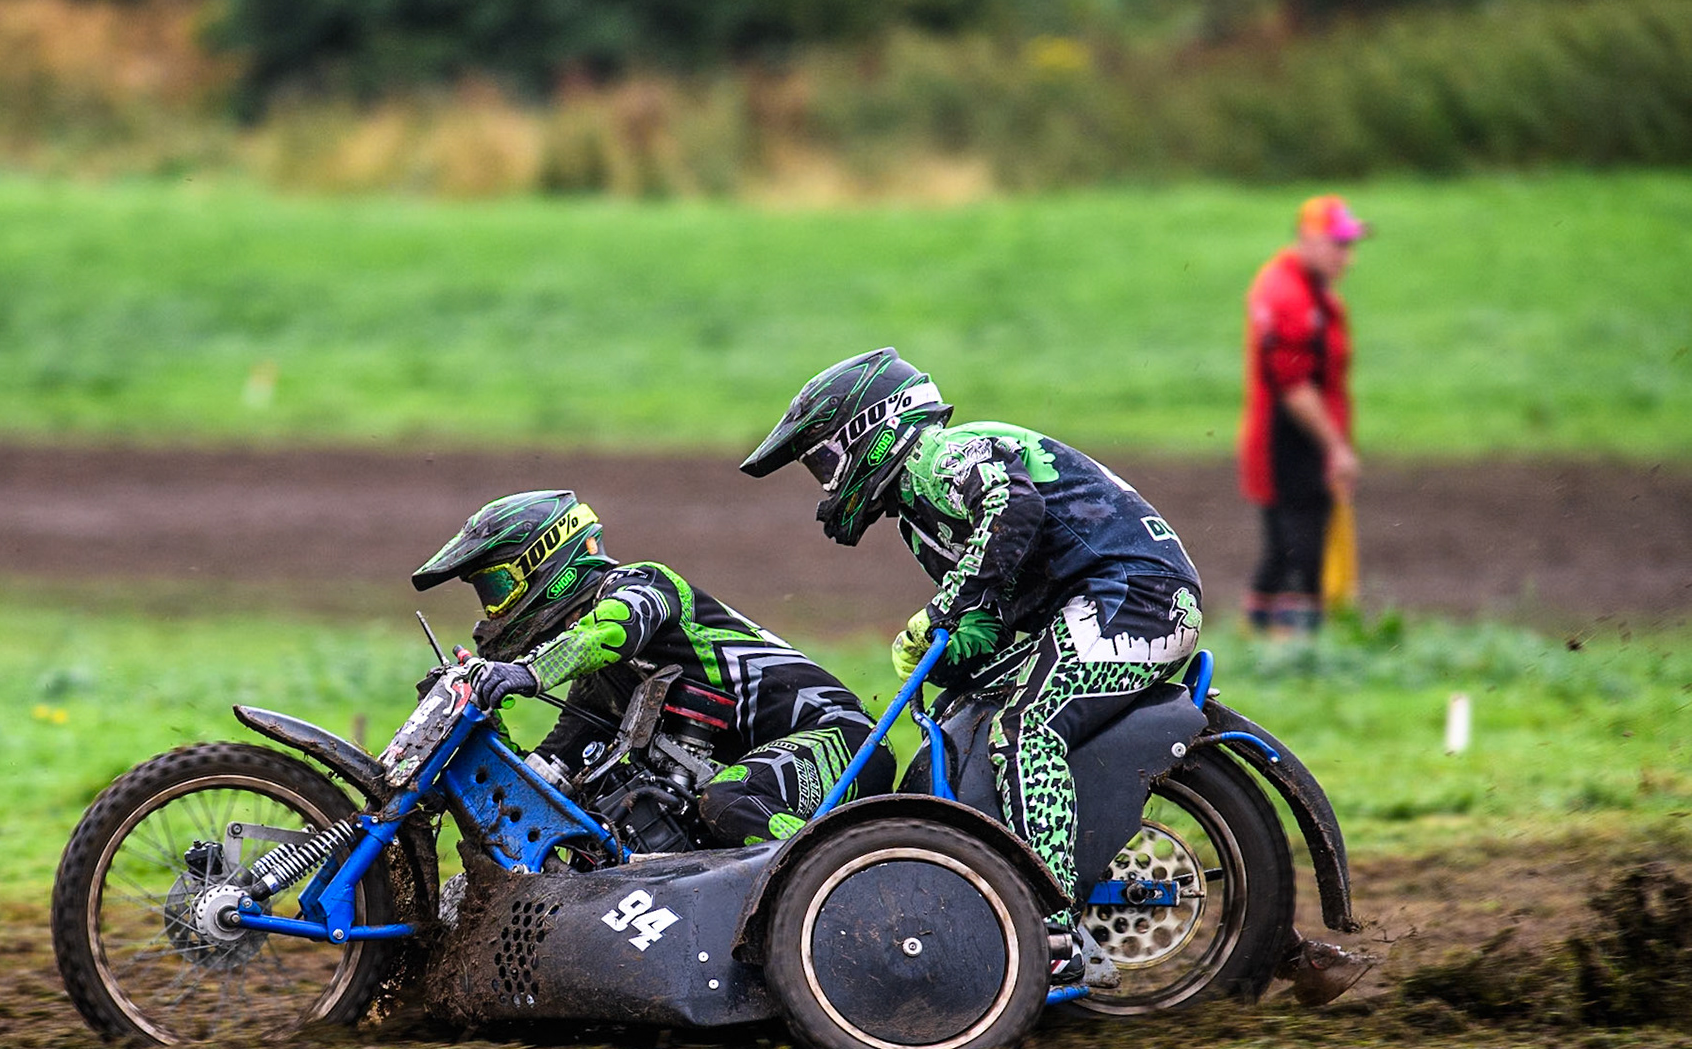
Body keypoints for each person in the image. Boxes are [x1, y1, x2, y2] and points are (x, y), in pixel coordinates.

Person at [740, 348, 1203, 968]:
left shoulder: (947, 452)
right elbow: (994, 615)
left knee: (1025, 729)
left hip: (1139, 597)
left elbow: (1014, 509)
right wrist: (953, 650)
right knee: (967, 710)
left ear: (871, 430)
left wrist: (943, 609)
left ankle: (1055, 928)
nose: (824, 481)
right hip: (1099, 602)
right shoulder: (917, 517)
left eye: (824, 458)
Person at [410, 490, 894, 848]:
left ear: (545, 562)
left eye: (496, 587)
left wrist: (529, 672)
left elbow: (611, 629)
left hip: (843, 739)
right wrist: (476, 746)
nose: (492, 610)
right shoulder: (600, 686)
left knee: (726, 803)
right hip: (776, 766)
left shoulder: (642, 584)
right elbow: (543, 786)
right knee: (597, 835)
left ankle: (860, 883)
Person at [1237, 194, 1368, 635]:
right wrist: (1337, 448)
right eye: (1339, 244)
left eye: (1350, 246)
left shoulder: (1314, 293)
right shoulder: (1286, 293)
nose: (1347, 257)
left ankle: (1278, 650)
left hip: (1307, 445)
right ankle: (1284, 652)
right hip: (1285, 444)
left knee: (1295, 553)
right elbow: (1294, 388)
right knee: (1295, 553)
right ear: (1309, 240)